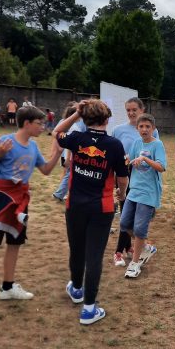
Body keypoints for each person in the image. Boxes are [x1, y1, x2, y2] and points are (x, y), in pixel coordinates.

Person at [0, 107, 62, 308]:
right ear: (27, 123)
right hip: (3, 198)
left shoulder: (33, 146)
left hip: (21, 201)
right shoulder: (6, 141)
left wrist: (56, 154)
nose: (43, 127)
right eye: (39, 123)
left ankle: (7, 287)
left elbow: (45, 170)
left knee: (14, 243)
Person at [54, 99, 129, 325]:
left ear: (85, 119)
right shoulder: (114, 145)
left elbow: (57, 132)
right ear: (107, 119)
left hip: (75, 205)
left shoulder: (77, 138)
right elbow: (122, 177)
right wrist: (121, 193)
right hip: (101, 208)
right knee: (94, 255)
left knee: (77, 250)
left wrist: (76, 114)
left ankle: (77, 288)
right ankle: (88, 309)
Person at [111, 98, 159, 266]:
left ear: (142, 110)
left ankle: (129, 248)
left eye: (134, 110)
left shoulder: (153, 131)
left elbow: (156, 156)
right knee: (126, 215)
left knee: (134, 218)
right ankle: (119, 252)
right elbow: (113, 154)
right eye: (128, 110)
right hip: (123, 176)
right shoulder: (118, 130)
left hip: (143, 179)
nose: (131, 113)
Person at [121, 113, 167, 279]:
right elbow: (130, 160)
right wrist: (125, 159)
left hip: (148, 193)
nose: (144, 129)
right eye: (141, 126)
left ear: (153, 128)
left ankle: (134, 264)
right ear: (137, 128)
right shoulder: (136, 143)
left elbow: (161, 167)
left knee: (140, 229)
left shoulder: (157, 145)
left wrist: (146, 160)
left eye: (148, 126)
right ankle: (146, 247)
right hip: (133, 191)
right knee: (124, 223)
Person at [52, 105, 83, 202]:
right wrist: (68, 158)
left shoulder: (66, 124)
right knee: (69, 175)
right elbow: (70, 145)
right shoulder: (74, 127)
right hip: (71, 155)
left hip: (68, 154)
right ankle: (59, 194)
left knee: (69, 174)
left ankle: (62, 193)